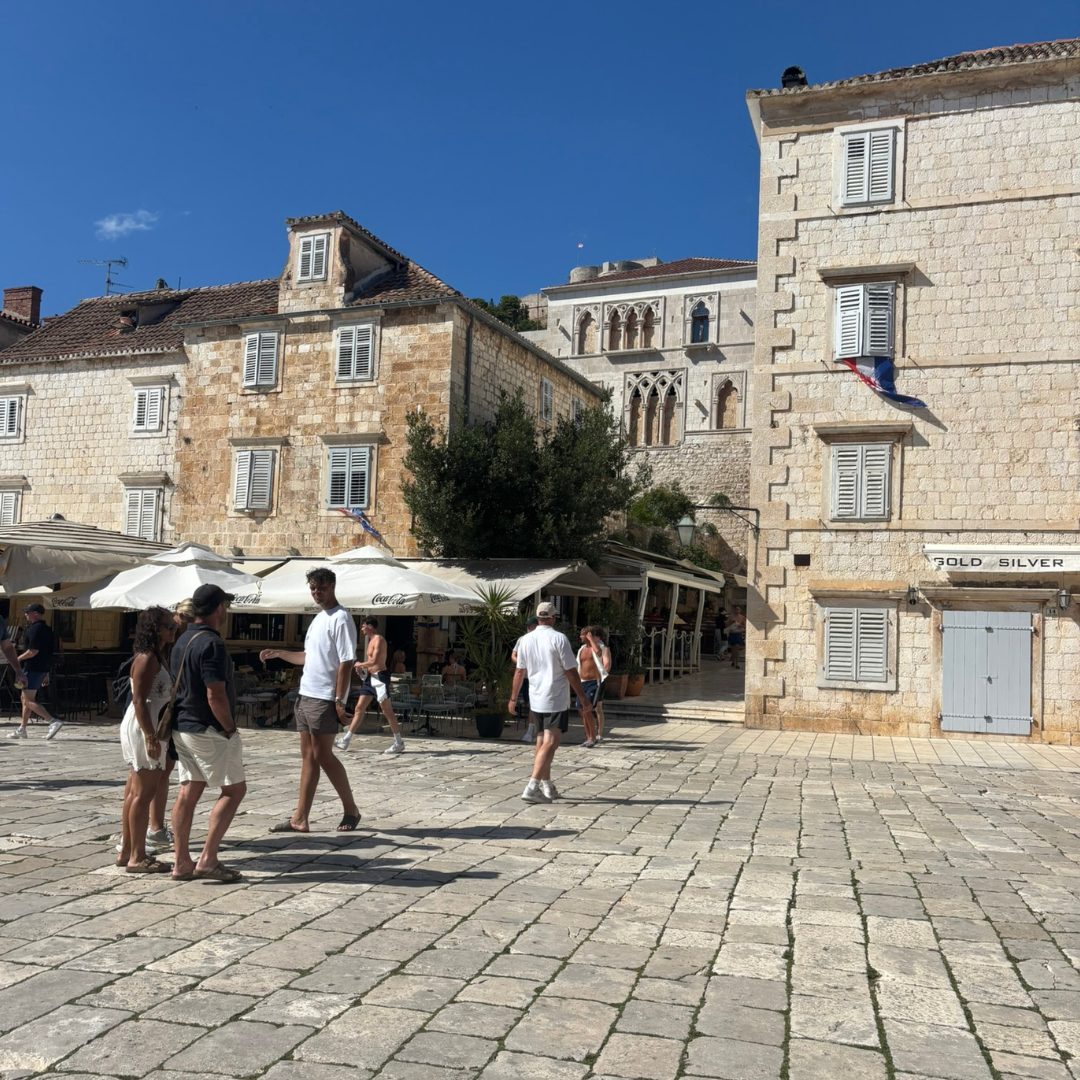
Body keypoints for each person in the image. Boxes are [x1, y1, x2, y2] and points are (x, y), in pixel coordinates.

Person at [260, 568, 362, 833]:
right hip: (306, 694)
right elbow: (309, 656)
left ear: (332, 587)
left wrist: (339, 701)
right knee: (308, 756)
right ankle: (300, 818)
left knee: (323, 755)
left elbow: (346, 661)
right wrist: (280, 653)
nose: (317, 593)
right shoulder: (318, 618)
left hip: (324, 697)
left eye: (322, 588)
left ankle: (351, 809)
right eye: (314, 588)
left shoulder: (341, 618)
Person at [169, 584, 245, 882]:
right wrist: (230, 728)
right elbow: (216, 693)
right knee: (234, 789)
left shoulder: (182, 640)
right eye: (225, 606)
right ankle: (208, 859)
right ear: (218, 608)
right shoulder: (212, 644)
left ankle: (181, 862)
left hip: (183, 726)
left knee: (189, 791)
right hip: (208, 727)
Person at [509, 601, 593, 803]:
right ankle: (532, 785)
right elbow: (571, 671)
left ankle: (547, 786)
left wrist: (513, 697)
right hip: (555, 696)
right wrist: (582, 698)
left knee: (541, 741)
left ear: (537, 618)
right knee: (552, 741)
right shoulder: (559, 638)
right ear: (553, 618)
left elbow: (519, 671)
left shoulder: (525, 640)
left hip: (536, 696)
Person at [117, 607, 177, 873]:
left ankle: (128, 851)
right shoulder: (147, 658)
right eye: (169, 627)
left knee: (135, 791)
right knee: (143, 793)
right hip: (145, 724)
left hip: (148, 722)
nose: (173, 631)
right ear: (155, 629)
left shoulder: (156, 656)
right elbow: (139, 700)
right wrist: (150, 735)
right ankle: (137, 856)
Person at [336, 616, 405, 755]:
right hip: (370, 679)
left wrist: (360, 664)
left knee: (387, 711)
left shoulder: (379, 639)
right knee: (359, 708)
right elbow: (370, 663)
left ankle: (399, 742)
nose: (361, 628)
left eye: (363, 625)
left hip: (380, 678)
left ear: (370, 626)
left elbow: (374, 660)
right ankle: (346, 739)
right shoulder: (370, 641)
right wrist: (362, 669)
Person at [8, 604, 59, 740]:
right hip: (42, 668)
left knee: (27, 700)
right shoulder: (48, 629)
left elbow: (33, 651)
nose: (25, 614)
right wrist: (46, 672)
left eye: (27, 612)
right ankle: (22, 729)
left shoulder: (34, 629)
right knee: (25, 698)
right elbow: (48, 652)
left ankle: (53, 721)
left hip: (32, 667)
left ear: (35, 614)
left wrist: (16, 659)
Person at [576, 625, 611, 747]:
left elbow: (599, 654)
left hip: (594, 682)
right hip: (582, 682)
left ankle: (594, 736)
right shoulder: (581, 649)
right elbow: (577, 665)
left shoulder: (600, 647)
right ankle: (588, 736)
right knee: (581, 710)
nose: (580, 636)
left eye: (583, 634)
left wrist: (591, 640)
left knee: (589, 709)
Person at [512, 615, 539, 743]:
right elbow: (513, 655)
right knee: (530, 704)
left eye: (531, 626)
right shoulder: (522, 639)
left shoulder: (541, 639)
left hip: (537, 676)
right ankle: (531, 729)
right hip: (525, 677)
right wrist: (521, 663)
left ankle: (531, 730)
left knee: (534, 704)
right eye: (528, 626)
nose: (529, 628)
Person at [728, 605, 747, 670]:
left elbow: (745, 626)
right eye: (736, 609)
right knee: (733, 649)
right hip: (732, 633)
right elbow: (727, 625)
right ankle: (733, 661)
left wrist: (740, 625)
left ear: (740, 610)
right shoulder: (731, 617)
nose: (737, 611)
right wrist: (731, 623)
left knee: (737, 648)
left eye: (738, 609)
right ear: (734, 610)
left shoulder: (742, 617)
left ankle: (737, 663)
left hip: (738, 634)